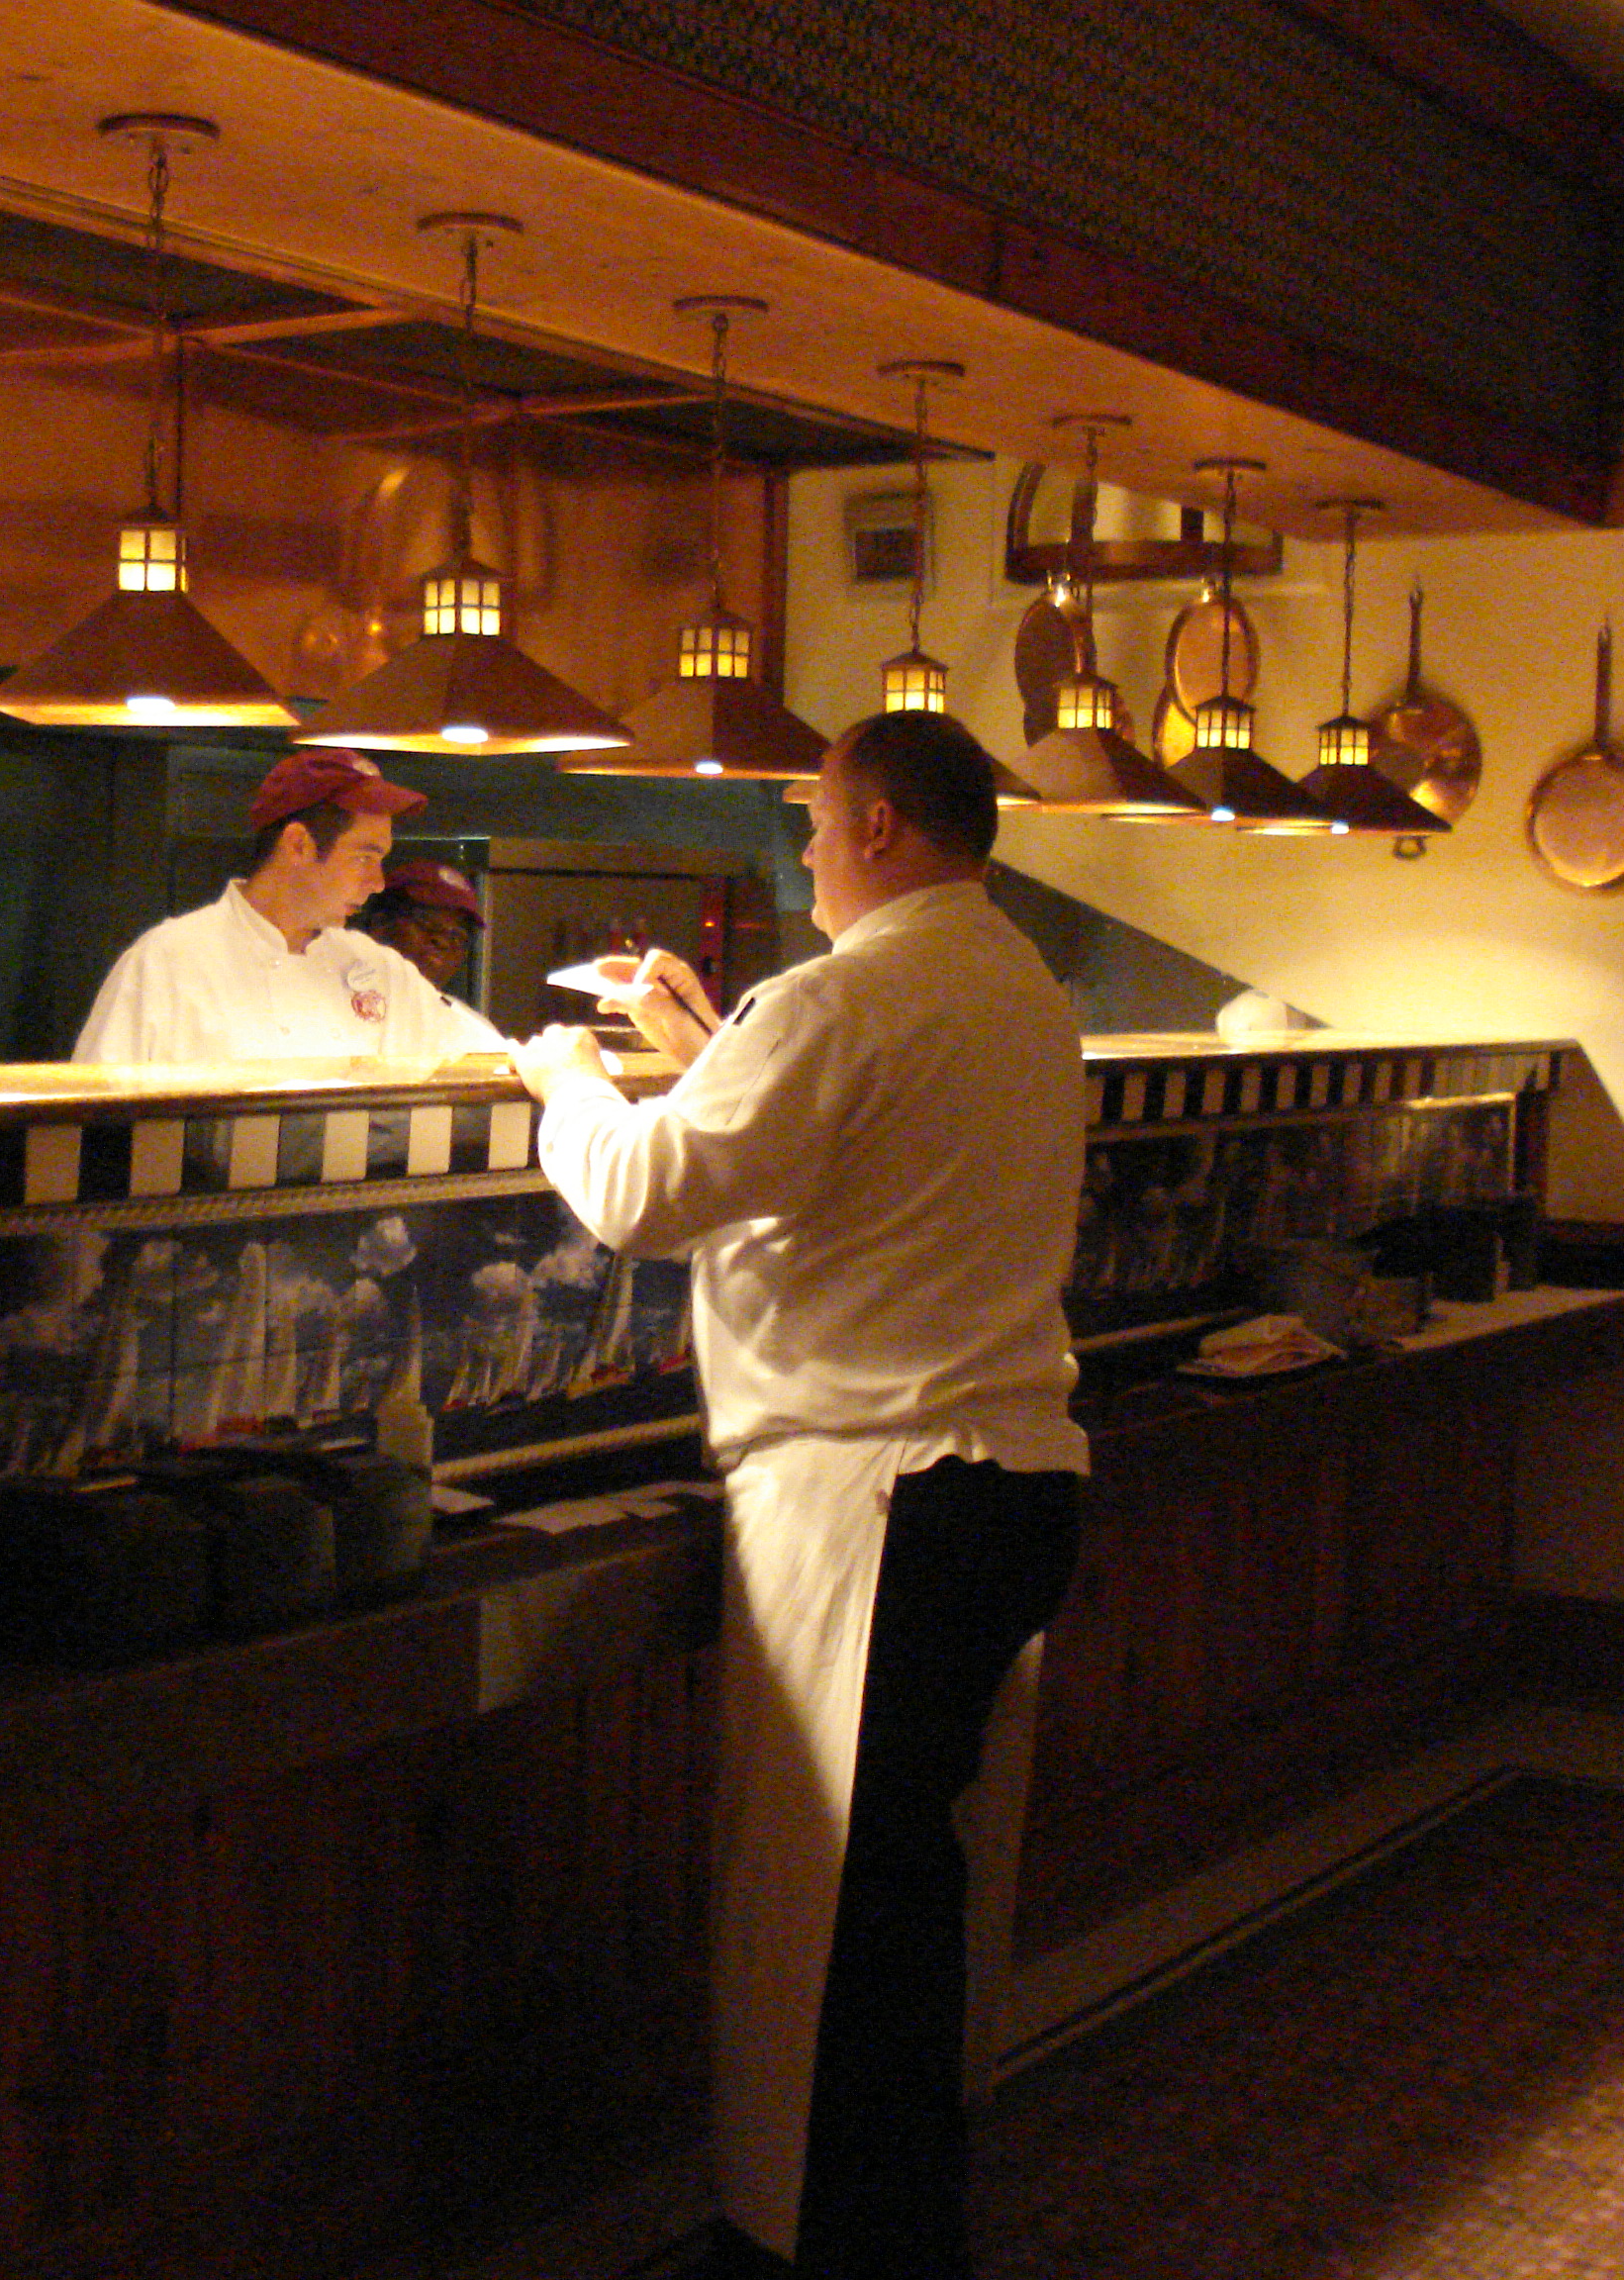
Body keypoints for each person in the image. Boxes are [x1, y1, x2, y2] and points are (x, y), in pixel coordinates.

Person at [510, 712, 1088, 2280]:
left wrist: (566, 1074)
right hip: (1014, 1486)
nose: (810, 852)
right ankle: (906, 2221)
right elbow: (840, 1145)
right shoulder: (1019, 987)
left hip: (882, 1504)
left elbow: (644, 1194)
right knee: (918, 1890)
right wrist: (713, 1043)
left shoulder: (843, 997)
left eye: (821, 824)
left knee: (827, 1912)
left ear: (883, 824)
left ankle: (807, 2248)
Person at [73, 751, 506, 1062]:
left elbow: (487, 1066)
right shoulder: (168, 962)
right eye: (363, 857)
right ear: (298, 844)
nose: (377, 883)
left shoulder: (379, 970)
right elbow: (99, 1120)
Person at [357, 856, 485, 998]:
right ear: (380, 924)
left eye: (457, 937)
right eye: (427, 922)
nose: (442, 942)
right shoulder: (339, 996)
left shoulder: (457, 1013)